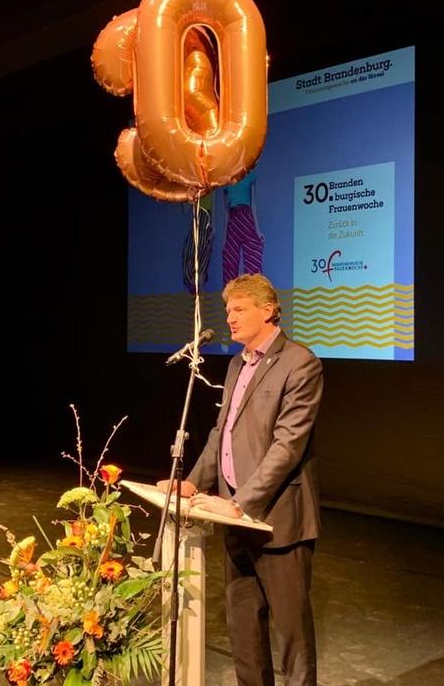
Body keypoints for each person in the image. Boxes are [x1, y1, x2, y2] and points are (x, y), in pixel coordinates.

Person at [158, 273, 323, 686]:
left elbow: (288, 446)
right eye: (228, 309)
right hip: (233, 518)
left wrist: (240, 502)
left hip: (277, 522)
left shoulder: (300, 363)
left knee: (293, 639)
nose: (229, 317)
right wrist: (194, 482)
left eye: (239, 309)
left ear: (268, 311)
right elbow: (222, 432)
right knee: (244, 631)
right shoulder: (237, 364)